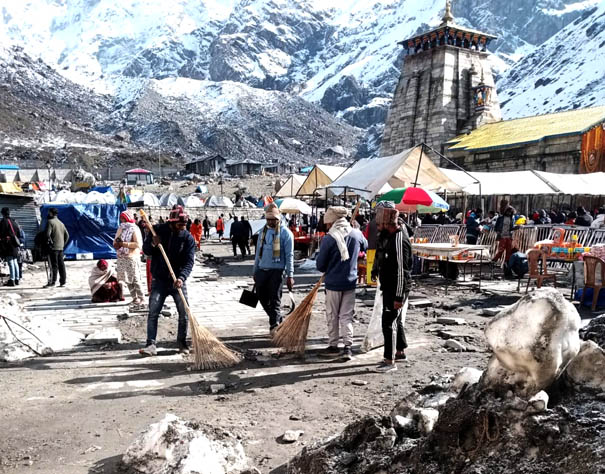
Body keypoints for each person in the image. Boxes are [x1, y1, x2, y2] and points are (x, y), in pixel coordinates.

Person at [140, 206, 196, 356]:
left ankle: (182, 343)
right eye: (179, 225)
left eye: (184, 226)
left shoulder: (188, 238)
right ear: (171, 222)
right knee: (153, 312)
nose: (182, 228)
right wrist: (152, 243)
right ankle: (150, 344)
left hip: (177, 281)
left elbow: (189, 262)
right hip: (159, 280)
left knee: (184, 312)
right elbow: (145, 251)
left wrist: (182, 278)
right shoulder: (157, 230)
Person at [315, 206, 367, 361]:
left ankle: (333, 345)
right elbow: (365, 246)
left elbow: (320, 265)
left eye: (327, 223)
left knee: (332, 316)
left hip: (333, 284)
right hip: (351, 282)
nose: (326, 226)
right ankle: (348, 347)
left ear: (332, 221)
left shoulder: (329, 238)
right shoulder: (356, 234)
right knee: (346, 316)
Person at [371, 202, 412, 373]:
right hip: (388, 283)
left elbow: (403, 272)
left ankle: (390, 360)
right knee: (395, 320)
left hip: (396, 286)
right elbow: (380, 253)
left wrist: (398, 297)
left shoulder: (399, 240)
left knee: (388, 322)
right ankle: (400, 351)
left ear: (388, 223)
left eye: (380, 224)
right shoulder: (386, 235)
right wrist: (375, 269)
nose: (378, 227)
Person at [253, 203, 294, 334]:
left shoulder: (286, 234)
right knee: (261, 297)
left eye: (273, 220)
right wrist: (255, 271)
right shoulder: (262, 232)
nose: (270, 222)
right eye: (268, 219)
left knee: (275, 298)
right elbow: (258, 253)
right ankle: (277, 318)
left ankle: (274, 326)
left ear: (279, 219)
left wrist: (290, 275)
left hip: (277, 271)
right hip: (261, 270)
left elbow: (289, 255)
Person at [113, 211, 145, 308]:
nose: (122, 221)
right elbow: (116, 240)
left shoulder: (134, 229)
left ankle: (142, 298)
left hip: (132, 257)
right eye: (121, 219)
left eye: (123, 219)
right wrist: (117, 244)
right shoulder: (121, 228)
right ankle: (134, 298)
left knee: (135, 278)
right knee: (127, 279)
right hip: (122, 257)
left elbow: (138, 244)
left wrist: (124, 244)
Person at [45, 207, 69, 288]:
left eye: (49, 212)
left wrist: (49, 243)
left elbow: (48, 234)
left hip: (53, 248)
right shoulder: (61, 223)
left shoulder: (50, 222)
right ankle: (63, 281)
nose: (48, 214)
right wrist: (63, 244)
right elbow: (67, 235)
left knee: (53, 265)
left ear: (51, 213)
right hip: (60, 248)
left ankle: (52, 282)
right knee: (61, 265)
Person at [0, 207, 22, 286]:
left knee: (10, 262)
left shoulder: (3, 222)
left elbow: (1, 234)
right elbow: (19, 233)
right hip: (15, 244)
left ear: (3, 213)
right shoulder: (14, 221)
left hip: (8, 245)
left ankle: (12, 280)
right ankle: (17, 279)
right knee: (15, 261)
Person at [493, 206, 516, 278]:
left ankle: (507, 266)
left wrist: (516, 227)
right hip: (502, 236)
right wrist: (498, 233)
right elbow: (496, 227)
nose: (509, 213)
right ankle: (494, 261)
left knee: (509, 252)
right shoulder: (500, 218)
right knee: (501, 250)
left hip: (509, 236)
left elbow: (511, 228)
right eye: (508, 211)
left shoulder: (512, 218)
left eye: (510, 212)